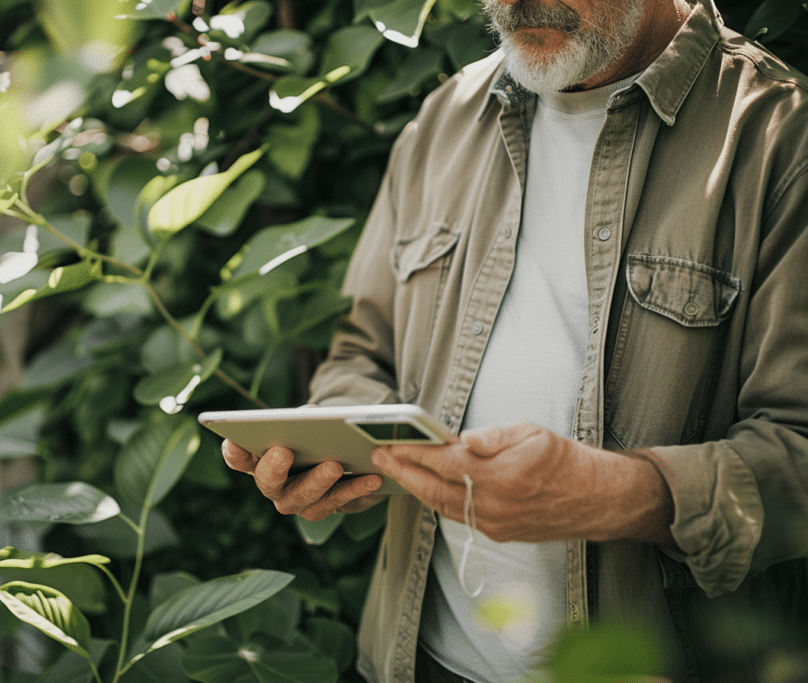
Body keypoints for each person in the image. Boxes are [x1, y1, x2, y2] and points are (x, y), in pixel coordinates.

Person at [222, 0, 808, 680]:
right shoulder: (448, 115)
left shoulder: (782, 140)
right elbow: (362, 347)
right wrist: (346, 449)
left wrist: (627, 494)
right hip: (412, 660)